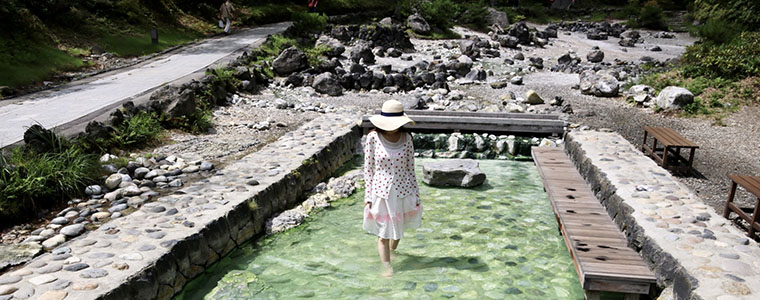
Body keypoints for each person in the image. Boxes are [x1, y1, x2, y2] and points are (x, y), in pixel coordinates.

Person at [363, 100, 422, 277]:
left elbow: (410, 169)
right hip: (381, 192)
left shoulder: (407, 138)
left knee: (398, 231)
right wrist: (368, 197)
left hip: (403, 191)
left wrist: (416, 195)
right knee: (383, 233)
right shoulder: (373, 138)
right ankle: (387, 266)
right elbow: (368, 169)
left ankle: (392, 252)